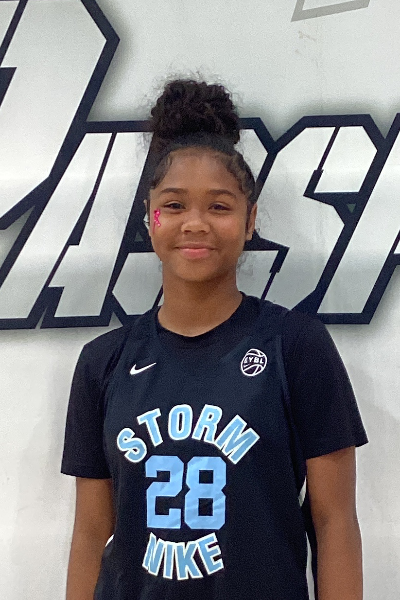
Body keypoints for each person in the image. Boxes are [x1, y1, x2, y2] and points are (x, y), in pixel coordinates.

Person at [61, 79, 368, 600]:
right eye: (174, 205)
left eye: (220, 207)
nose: (195, 224)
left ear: (250, 221)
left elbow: (334, 521)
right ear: (150, 219)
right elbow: (91, 533)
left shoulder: (296, 346)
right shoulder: (103, 362)